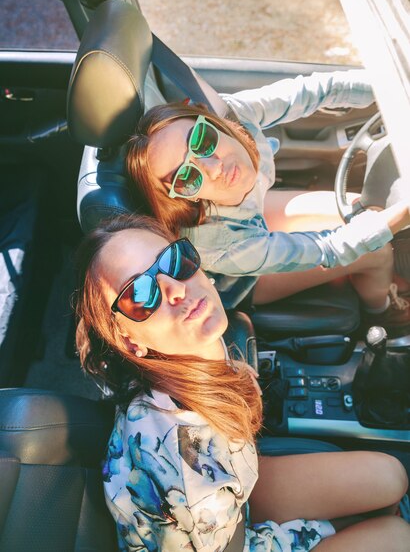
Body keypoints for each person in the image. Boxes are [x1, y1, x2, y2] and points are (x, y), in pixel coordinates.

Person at [75, 214, 410, 551]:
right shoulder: (183, 465)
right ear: (131, 343)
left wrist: (232, 371)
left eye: (175, 261)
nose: (176, 289)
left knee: (392, 478)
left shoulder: (193, 345)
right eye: (141, 294)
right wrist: (308, 532)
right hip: (223, 532)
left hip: (237, 489)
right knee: (397, 537)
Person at [125, 69, 410, 332]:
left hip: (250, 217)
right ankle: (384, 312)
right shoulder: (219, 245)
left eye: (202, 139)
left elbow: (317, 90)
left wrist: (392, 87)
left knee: (362, 207)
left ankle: (381, 279)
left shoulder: (234, 114)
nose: (213, 168)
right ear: (183, 199)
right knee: (376, 252)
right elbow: (327, 249)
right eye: (187, 177)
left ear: (211, 120)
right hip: (244, 278)